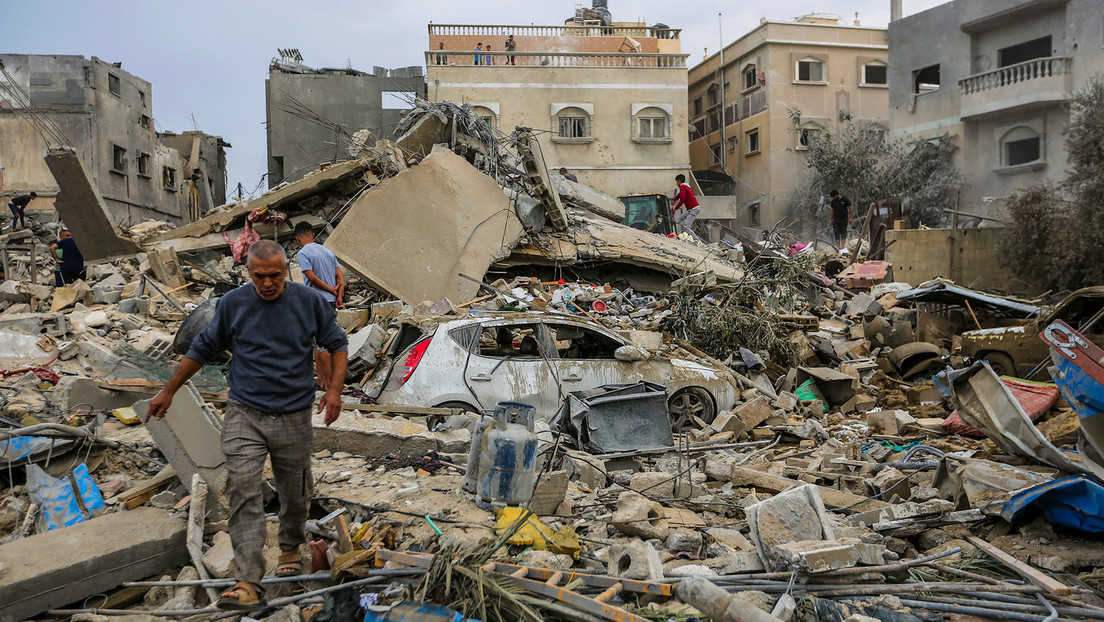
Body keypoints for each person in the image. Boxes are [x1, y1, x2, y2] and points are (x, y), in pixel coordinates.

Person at [145, 240, 348, 611]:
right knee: (243, 488)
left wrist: (334, 391)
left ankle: (289, 547)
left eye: (274, 275)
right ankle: (248, 581)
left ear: (286, 270)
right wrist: (168, 391)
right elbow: (201, 349)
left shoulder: (309, 303)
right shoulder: (234, 304)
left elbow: (336, 343)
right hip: (245, 413)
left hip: (293, 413)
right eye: (259, 276)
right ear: (248, 272)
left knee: (295, 489)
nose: (267, 283)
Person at [294, 220, 345, 389]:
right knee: (318, 342)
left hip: (315, 302)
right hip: (329, 302)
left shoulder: (303, 253)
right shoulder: (327, 251)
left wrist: (331, 290)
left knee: (321, 345)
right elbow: (340, 276)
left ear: (297, 238)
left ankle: (328, 383)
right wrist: (339, 295)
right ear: (313, 235)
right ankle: (321, 380)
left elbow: (312, 278)